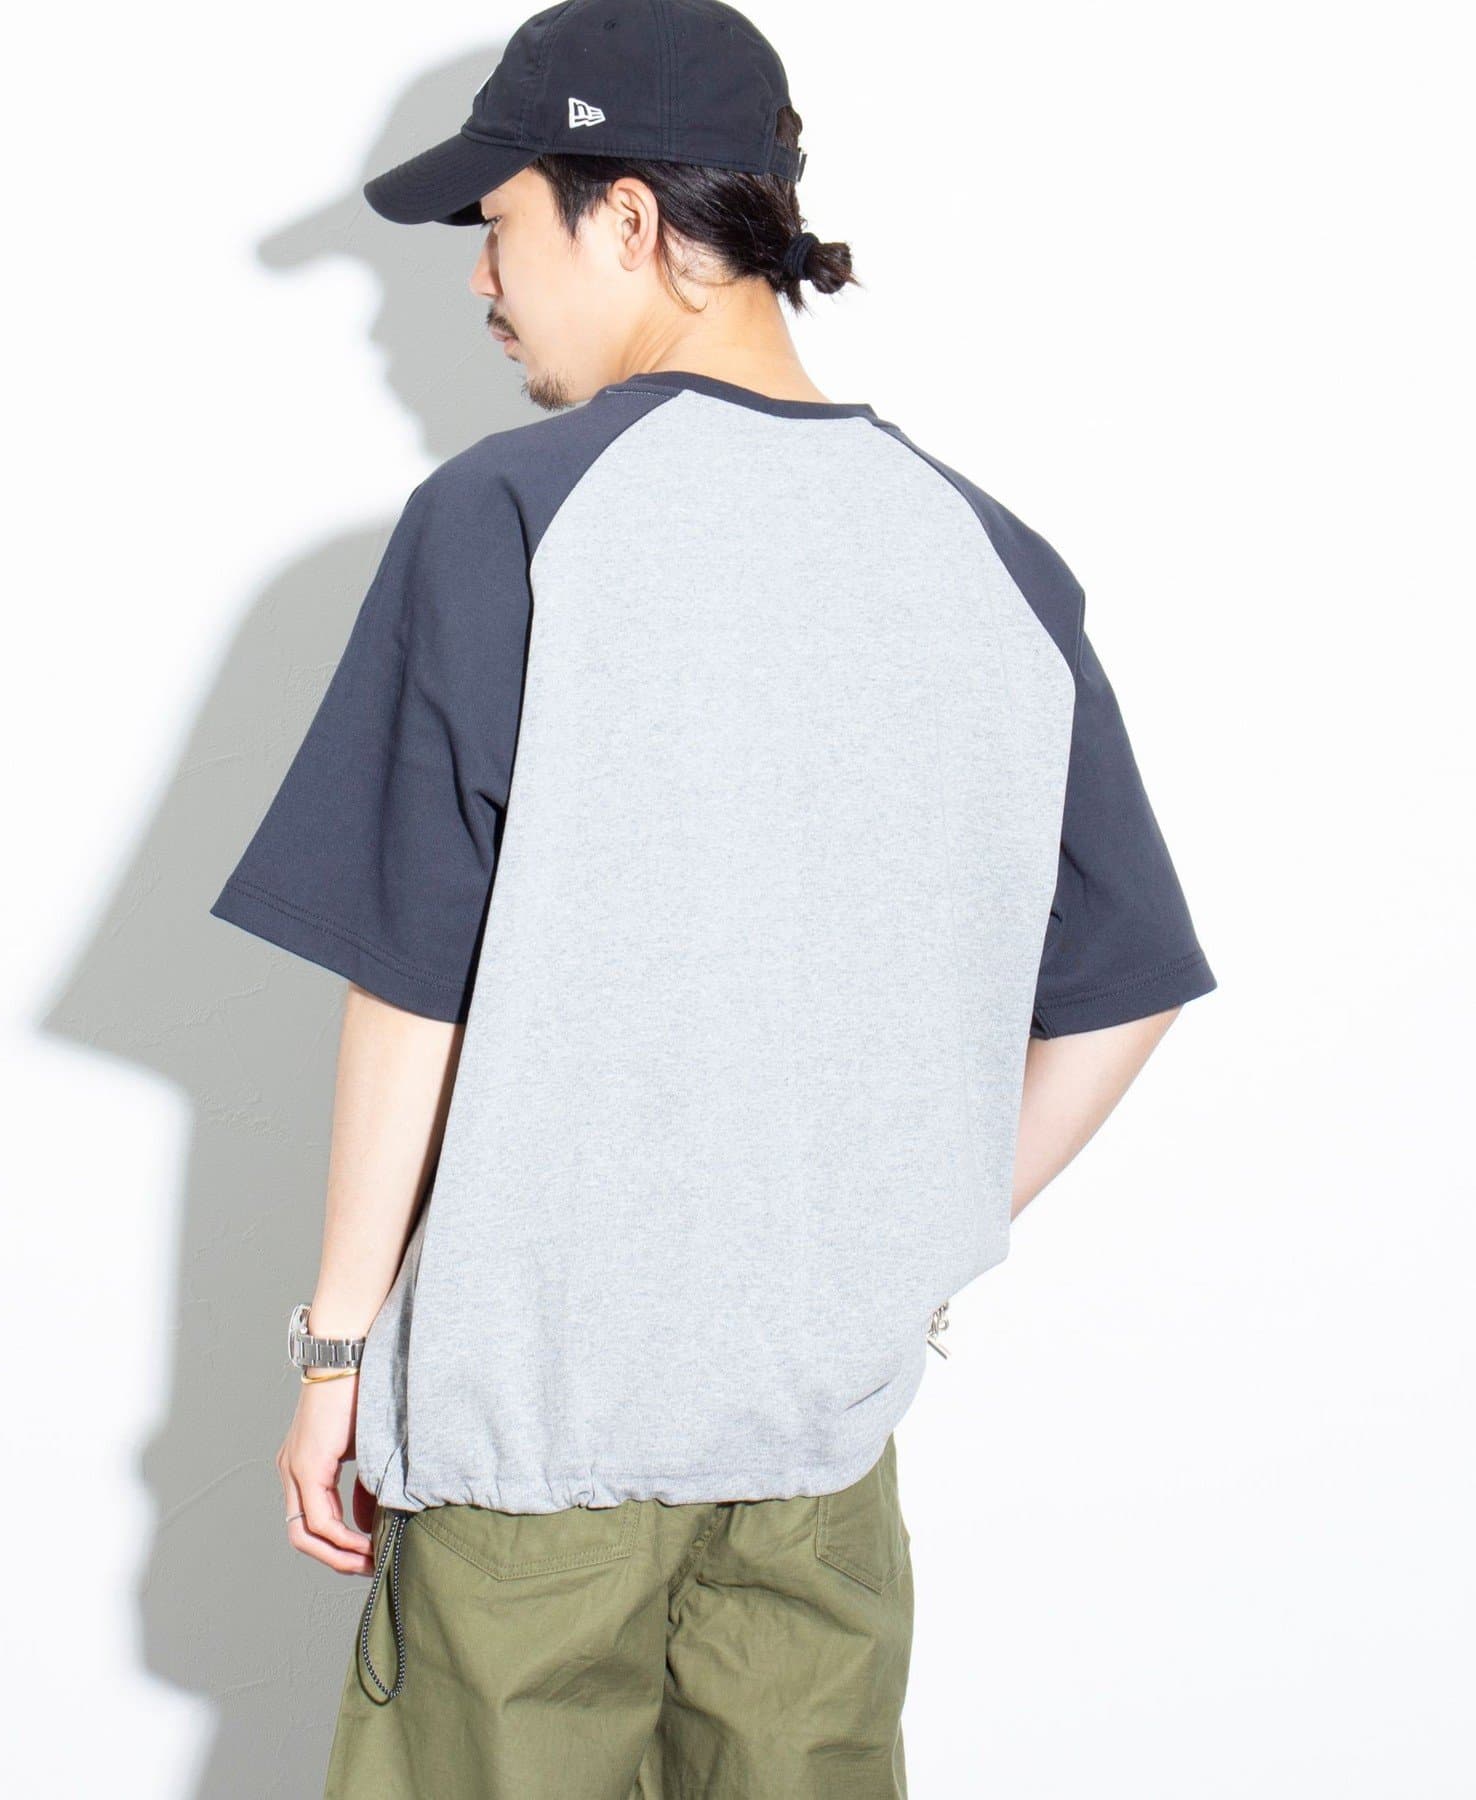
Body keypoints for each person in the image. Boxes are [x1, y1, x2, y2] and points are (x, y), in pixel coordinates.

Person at [210, 0, 1217, 1792]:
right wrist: (882, 1245)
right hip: (819, 1469)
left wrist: (338, 1350)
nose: (481, 281)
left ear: (628, 218)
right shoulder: (988, 555)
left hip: (535, 1457)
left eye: (499, 225)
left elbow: (412, 981)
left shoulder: (511, 513)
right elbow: (1125, 987)